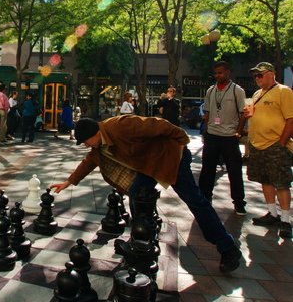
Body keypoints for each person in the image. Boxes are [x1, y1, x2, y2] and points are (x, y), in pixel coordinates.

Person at [50, 115, 243, 272]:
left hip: (171, 157)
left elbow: (158, 124)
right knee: (137, 193)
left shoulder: (120, 125)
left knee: (195, 201)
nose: (86, 145)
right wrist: (69, 182)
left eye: (86, 141)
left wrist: (182, 140)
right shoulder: (99, 144)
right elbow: (89, 161)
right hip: (149, 166)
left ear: (95, 133)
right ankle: (141, 240)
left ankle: (228, 248)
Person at [245, 62, 293, 239]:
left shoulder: (283, 91)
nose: (257, 78)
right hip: (258, 145)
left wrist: (281, 143)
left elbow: (290, 119)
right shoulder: (257, 94)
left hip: (275, 145)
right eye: (255, 76)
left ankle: (286, 220)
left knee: (281, 182)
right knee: (265, 180)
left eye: (260, 75)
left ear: (271, 74)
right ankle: (273, 214)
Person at [198, 61, 247, 216]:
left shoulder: (237, 91)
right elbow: (207, 113)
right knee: (207, 170)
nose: (218, 75)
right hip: (212, 135)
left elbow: (242, 114)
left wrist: (238, 132)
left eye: (221, 72)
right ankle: (205, 198)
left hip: (229, 136)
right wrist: (205, 132)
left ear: (228, 72)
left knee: (234, 171)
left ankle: (239, 202)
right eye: (216, 73)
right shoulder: (210, 90)